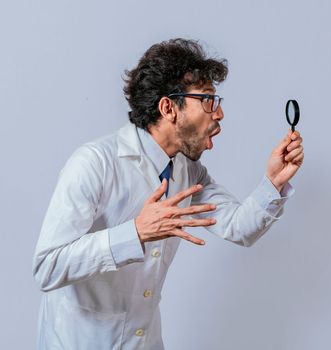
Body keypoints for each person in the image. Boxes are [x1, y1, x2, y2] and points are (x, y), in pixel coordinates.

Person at [32, 38, 304, 349]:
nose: (219, 115)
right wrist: (134, 232)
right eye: (207, 101)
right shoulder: (94, 163)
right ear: (168, 108)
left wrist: (273, 181)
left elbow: (238, 227)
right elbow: (47, 266)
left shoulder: (187, 170)